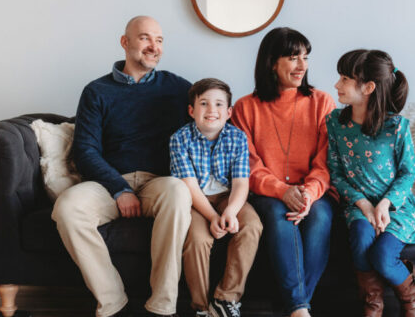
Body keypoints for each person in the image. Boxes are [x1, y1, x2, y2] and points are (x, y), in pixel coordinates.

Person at [51, 16, 192, 317]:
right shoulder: (96, 91)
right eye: (144, 38)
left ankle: (162, 306)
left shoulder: (180, 89)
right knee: (68, 208)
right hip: (108, 182)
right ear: (124, 42)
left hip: (160, 182)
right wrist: (119, 188)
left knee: (179, 193)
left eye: (159, 40)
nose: (154, 46)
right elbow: (85, 149)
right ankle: (113, 302)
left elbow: (211, 125)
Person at [231, 27, 338, 317]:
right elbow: (248, 166)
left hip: (312, 191)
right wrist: (282, 190)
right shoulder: (245, 107)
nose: (302, 66)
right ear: (271, 63)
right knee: (280, 219)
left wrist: (308, 194)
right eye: (293, 58)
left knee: (320, 216)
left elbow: (326, 160)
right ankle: (299, 307)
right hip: (268, 193)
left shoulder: (322, 102)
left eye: (305, 57)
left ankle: (297, 306)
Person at [326, 49, 415, 317]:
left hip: (397, 207)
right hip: (357, 205)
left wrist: (385, 204)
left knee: (383, 256)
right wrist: (364, 205)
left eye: (344, 78)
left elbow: (408, 173)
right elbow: (336, 172)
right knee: (362, 240)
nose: (336, 85)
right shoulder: (334, 123)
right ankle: (372, 305)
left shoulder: (396, 127)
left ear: (368, 87)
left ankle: (414, 301)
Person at [169, 78, 263, 317]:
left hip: (228, 197)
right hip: (196, 199)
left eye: (219, 104)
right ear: (192, 110)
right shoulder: (179, 139)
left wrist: (230, 211)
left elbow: (241, 182)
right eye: (204, 103)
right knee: (198, 239)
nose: (212, 110)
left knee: (252, 225)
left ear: (229, 112)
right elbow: (189, 186)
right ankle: (200, 306)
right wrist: (212, 217)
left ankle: (226, 298)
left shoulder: (237, 138)